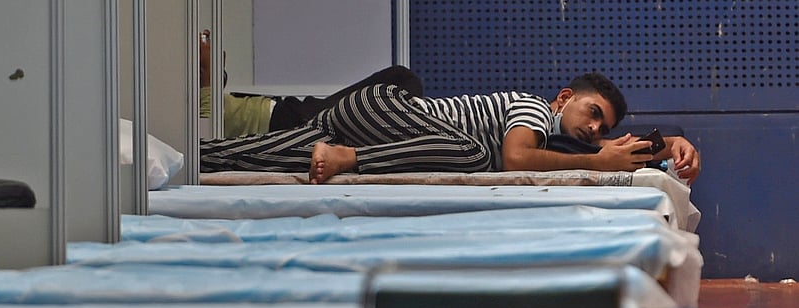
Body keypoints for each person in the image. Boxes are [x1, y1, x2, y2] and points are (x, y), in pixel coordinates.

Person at [200, 71, 702, 185]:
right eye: (593, 113)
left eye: (604, 127)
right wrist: (597, 160)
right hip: (383, 111)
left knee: (264, 155)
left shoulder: (558, 139)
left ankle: (196, 161)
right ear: (565, 99)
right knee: (476, 159)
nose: (595, 129)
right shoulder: (532, 109)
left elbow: (602, 154)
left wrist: (669, 147)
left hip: (377, 126)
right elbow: (517, 159)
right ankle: (349, 159)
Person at [200, 30, 423, 138]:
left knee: (399, 79)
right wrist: (210, 67)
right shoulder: (192, 121)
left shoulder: (195, 97)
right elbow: (207, 128)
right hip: (288, 123)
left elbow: (216, 95)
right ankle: (406, 128)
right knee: (401, 78)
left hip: (288, 111)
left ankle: (403, 124)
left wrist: (214, 65)